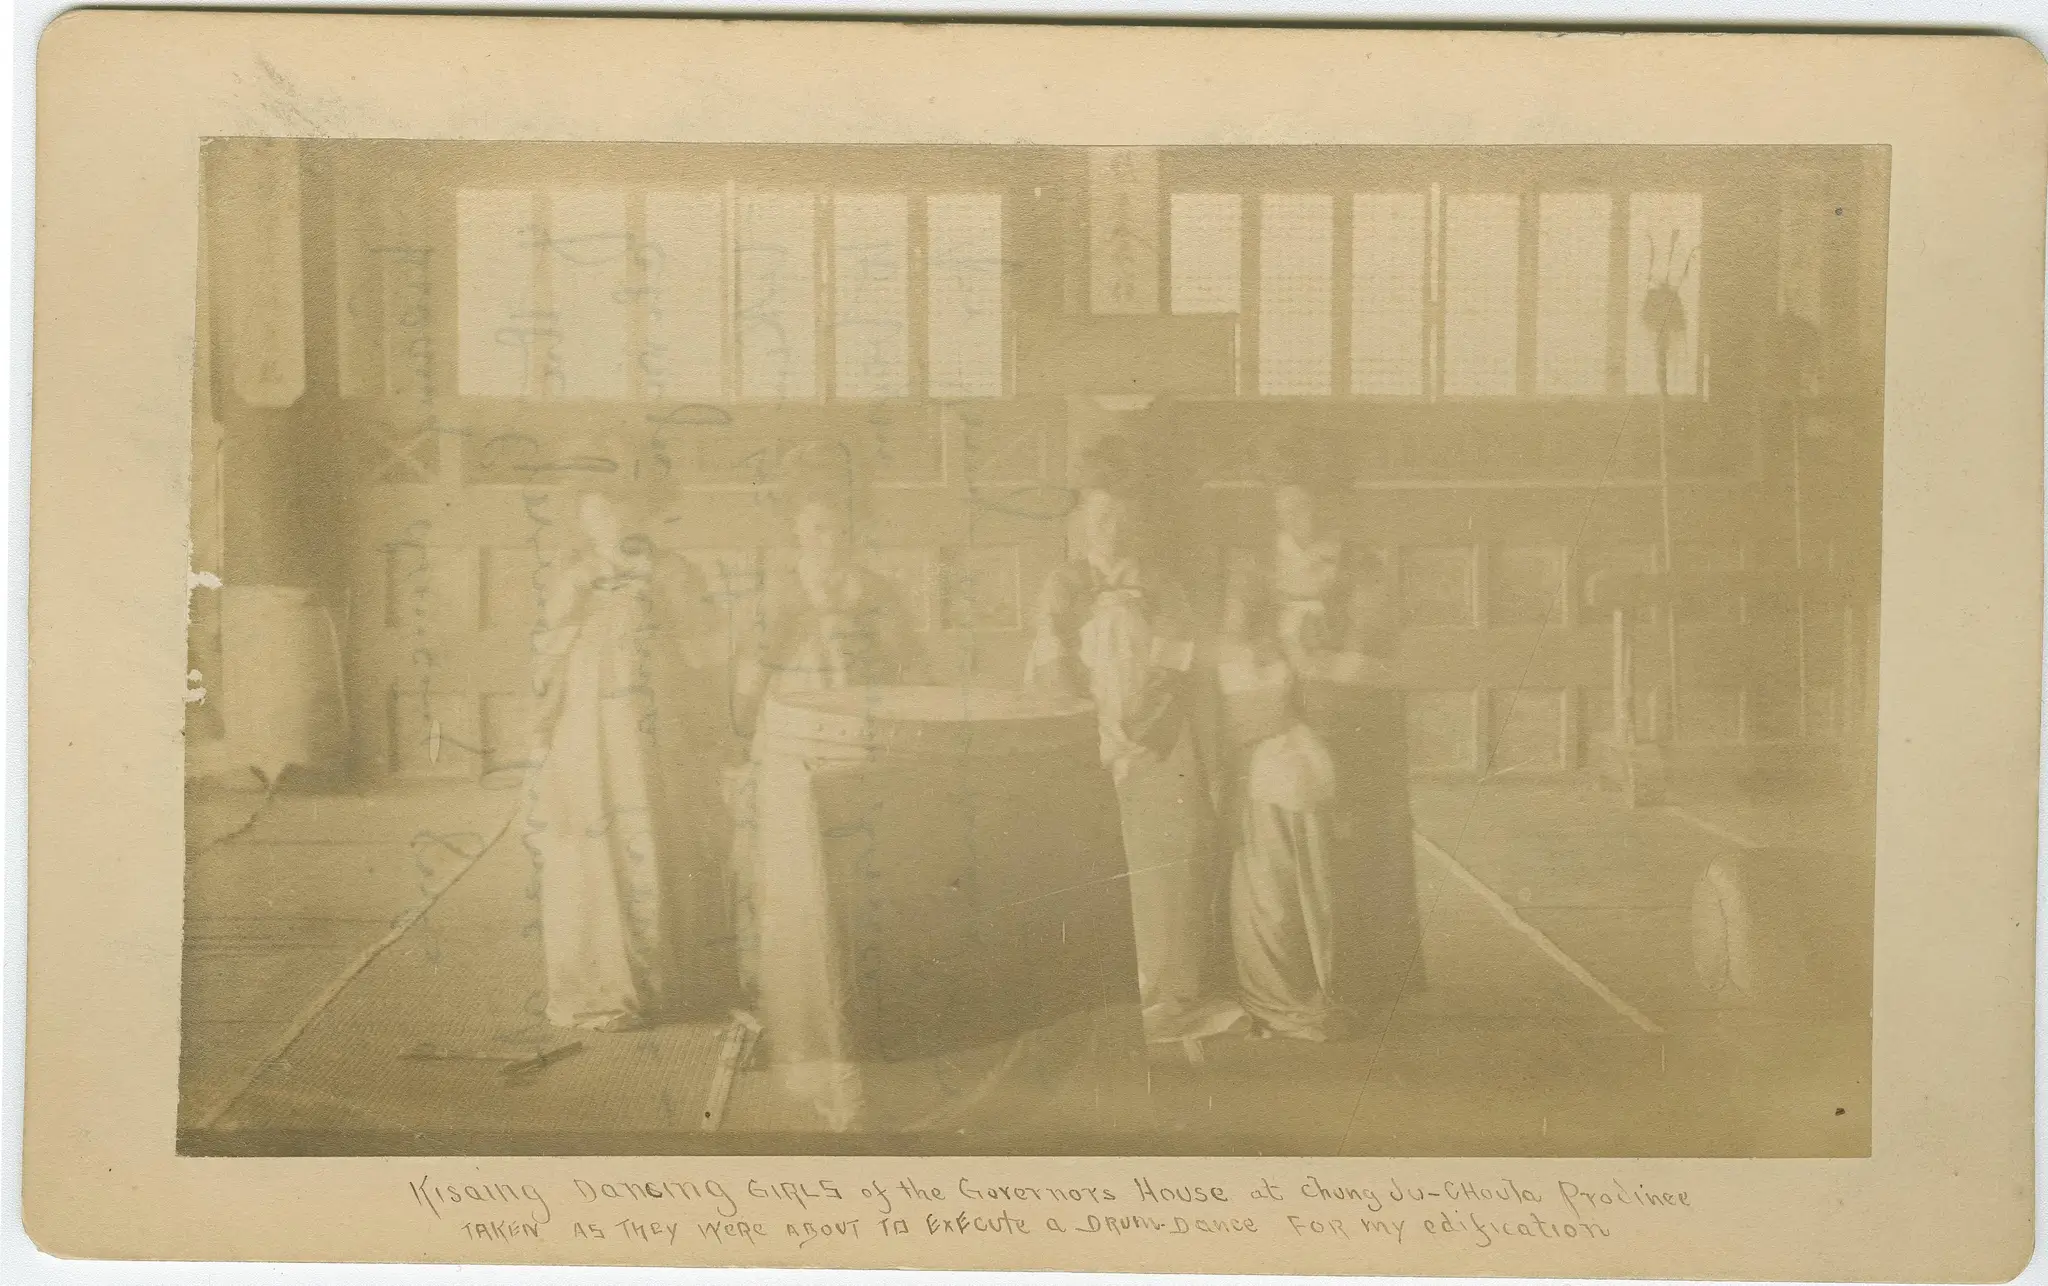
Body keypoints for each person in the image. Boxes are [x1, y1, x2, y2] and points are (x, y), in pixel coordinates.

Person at [726, 441, 921, 1127]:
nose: (828, 542)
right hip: (790, 742)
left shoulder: (879, 592)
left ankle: (863, 1011)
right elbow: (749, 680)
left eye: (838, 531)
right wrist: (742, 741)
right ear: (796, 533)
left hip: (863, 741)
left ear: (855, 533)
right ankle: (786, 1019)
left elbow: (911, 671)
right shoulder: (779, 593)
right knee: (787, 877)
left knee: (859, 871)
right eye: (814, 531)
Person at [1027, 434, 1242, 1046]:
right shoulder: (1066, 584)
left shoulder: (1161, 585)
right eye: (1099, 517)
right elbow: (1049, 653)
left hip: (1155, 739)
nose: (1110, 530)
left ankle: (1167, 990)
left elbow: (1177, 658)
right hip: (1089, 737)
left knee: (1163, 857)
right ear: (1080, 521)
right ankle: (1095, 987)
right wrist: (1086, 723)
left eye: (1121, 518)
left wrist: (1146, 728)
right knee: (1093, 857)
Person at [1217, 432, 1425, 1041]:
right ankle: (1274, 987)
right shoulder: (1254, 564)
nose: (1297, 517)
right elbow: (1233, 640)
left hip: (1343, 727)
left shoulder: (1360, 565)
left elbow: (1373, 654)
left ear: (1331, 505)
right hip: (1269, 721)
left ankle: (1340, 986)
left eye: (1308, 505)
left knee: (1340, 857)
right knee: (1269, 863)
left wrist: (1314, 667)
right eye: (1285, 505)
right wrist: (1271, 674)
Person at [523, 436, 724, 1032]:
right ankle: (602, 979)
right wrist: (541, 726)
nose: (613, 520)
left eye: (625, 507)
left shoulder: (673, 571)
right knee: (593, 834)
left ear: (645, 511)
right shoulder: (570, 577)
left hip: (660, 723)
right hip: (590, 728)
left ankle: (669, 977)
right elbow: (546, 655)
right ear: (581, 515)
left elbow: (706, 651)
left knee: (664, 826)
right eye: (599, 508)